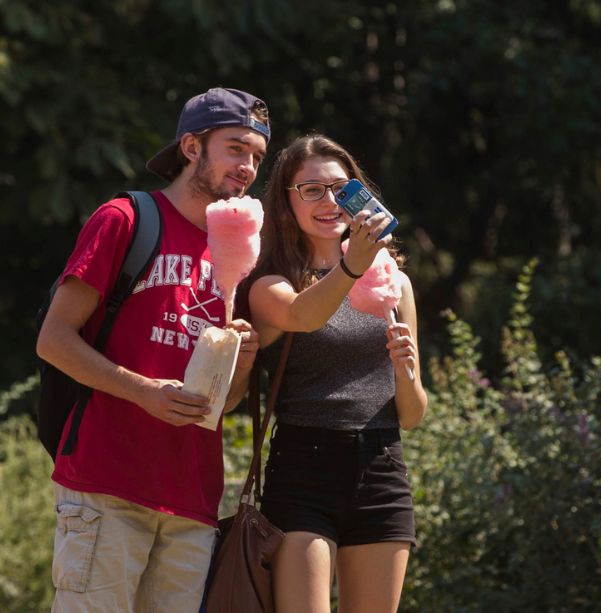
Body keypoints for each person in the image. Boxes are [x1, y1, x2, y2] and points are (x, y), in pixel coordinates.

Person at [36, 87, 270, 613]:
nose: (248, 166)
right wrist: (143, 391)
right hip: (106, 484)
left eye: (256, 155)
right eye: (235, 148)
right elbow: (53, 341)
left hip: (192, 499)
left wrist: (245, 357)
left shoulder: (239, 254)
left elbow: (222, 405)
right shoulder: (124, 219)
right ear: (192, 147)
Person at [245, 134, 428, 613]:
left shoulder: (395, 283)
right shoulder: (270, 284)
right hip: (304, 466)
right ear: (286, 204)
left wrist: (405, 371)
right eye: (311, 190)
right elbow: (305, 315)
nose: (330, 202)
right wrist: (351, 264)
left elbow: (412, 414)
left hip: (382, 464)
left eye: (341, 188)